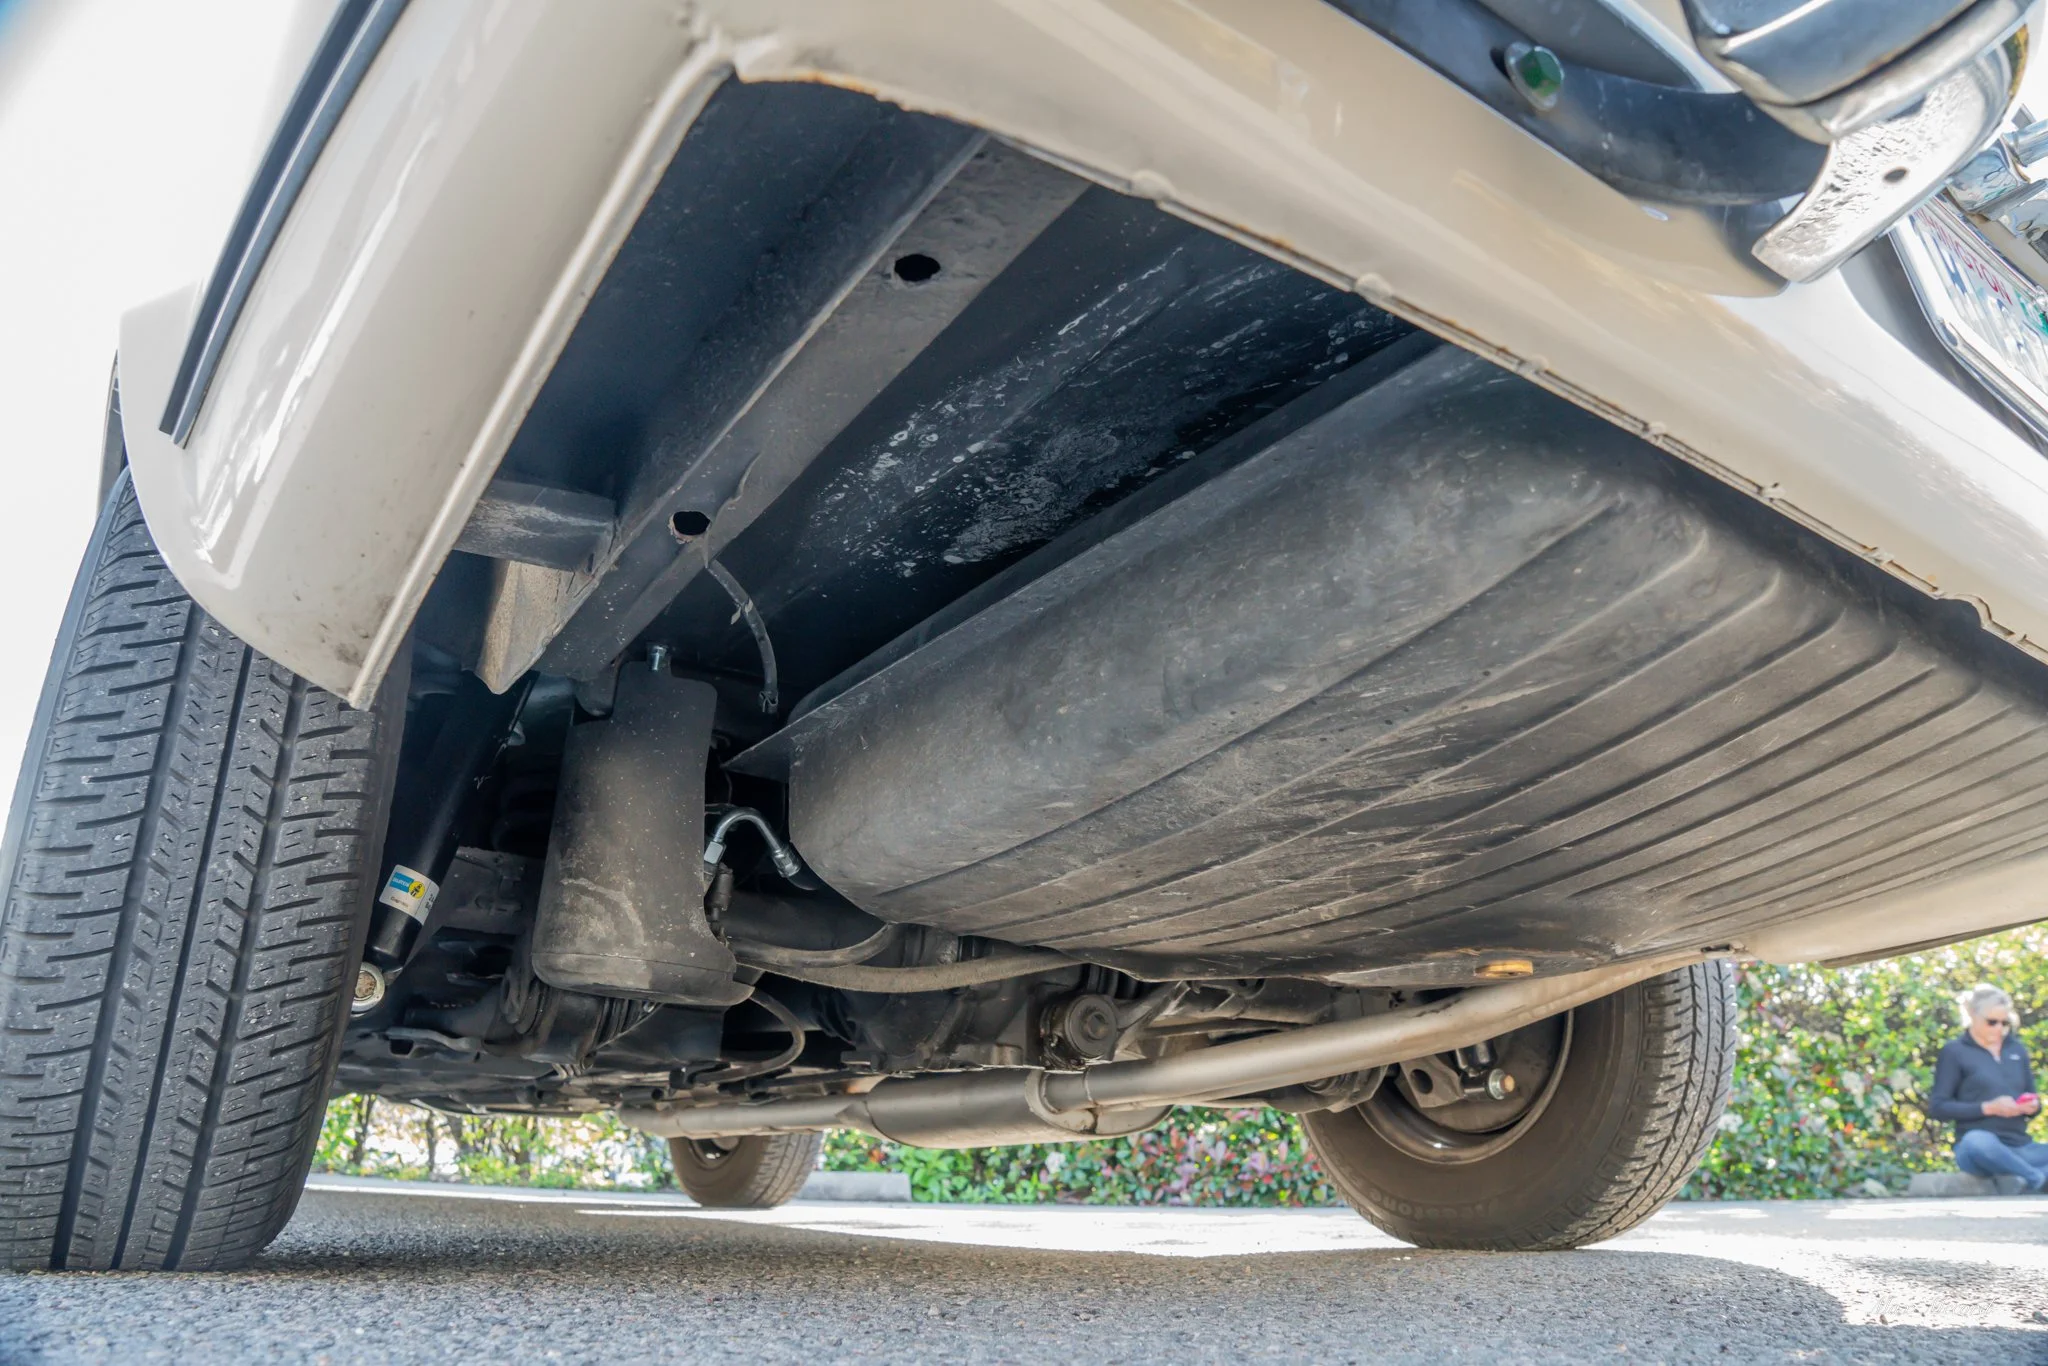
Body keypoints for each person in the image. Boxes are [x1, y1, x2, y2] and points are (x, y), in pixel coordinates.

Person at [1928, 984, 2046, 1191]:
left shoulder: (2017, 1050)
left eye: (2004, 1023)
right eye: (1992, 1022)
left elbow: (2033, 1100)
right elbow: (1938, 1107)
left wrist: (2032, 1106)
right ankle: (2035, 1178)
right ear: (1973, 1015)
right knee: (1977, 1142)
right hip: (1978, 1148)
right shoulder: (1955, 1052)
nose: (1999, 1029)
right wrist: (1988, 1108)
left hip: (2020, 1147)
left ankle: (2018, 1177)